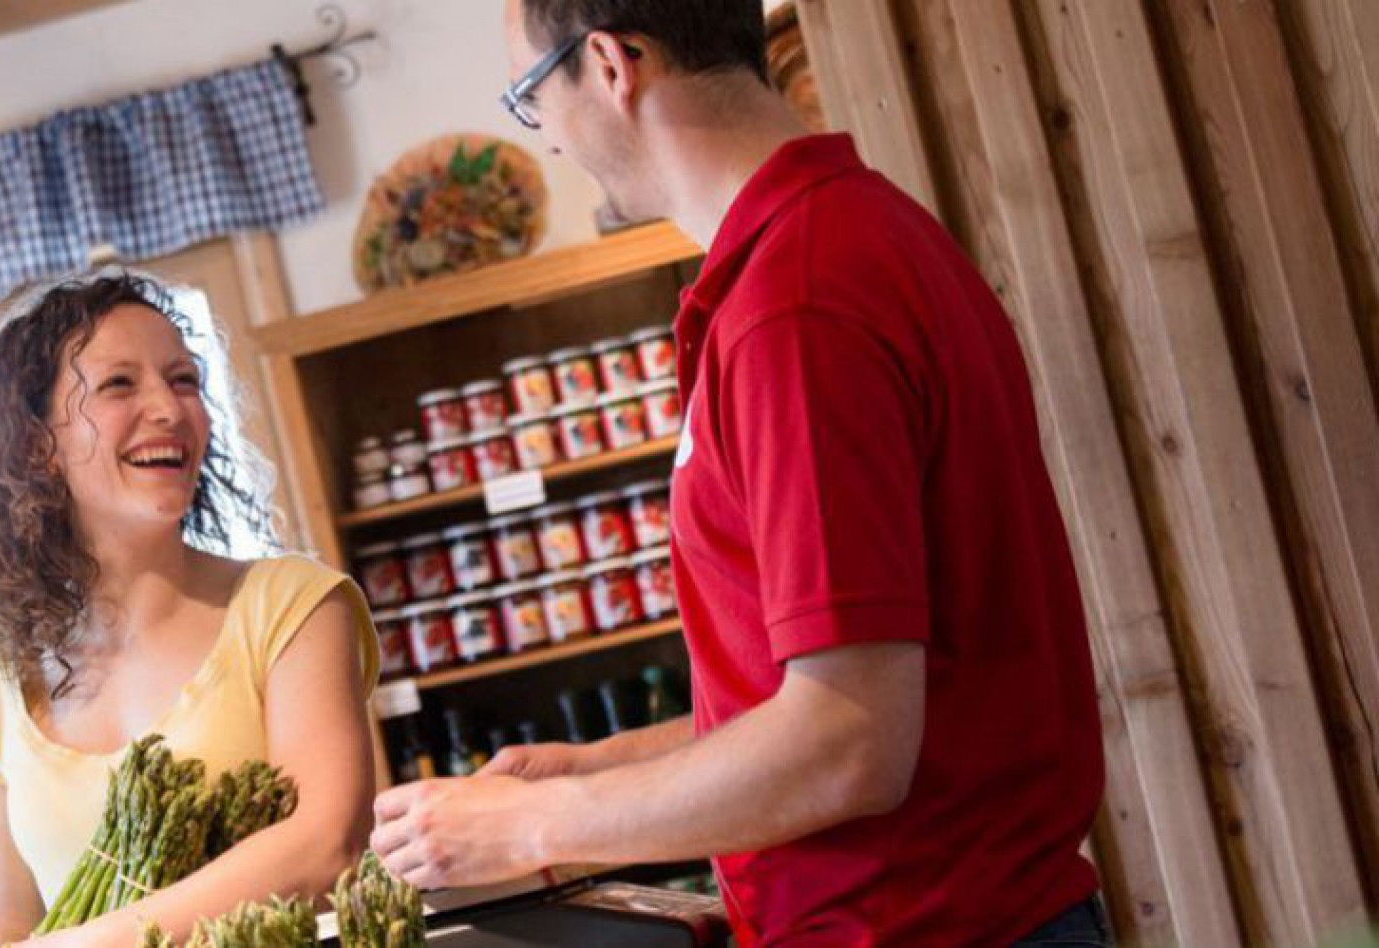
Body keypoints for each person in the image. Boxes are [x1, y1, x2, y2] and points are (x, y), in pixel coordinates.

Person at [368, 2, 1110, 945]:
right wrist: (599, 772)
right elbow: (837, 689)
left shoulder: (794, 307)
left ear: (608, 64)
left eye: (530, 98)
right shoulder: (857, 234)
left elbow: (849, 740)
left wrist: (532, 826)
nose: (548, 142)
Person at [0, 274, 380, 946]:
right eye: (120, 385)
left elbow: (324, 843)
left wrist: (84, 943)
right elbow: (1, 928)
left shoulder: (292, 607)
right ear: (36, 445)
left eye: (184, 380)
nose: (169, 408)